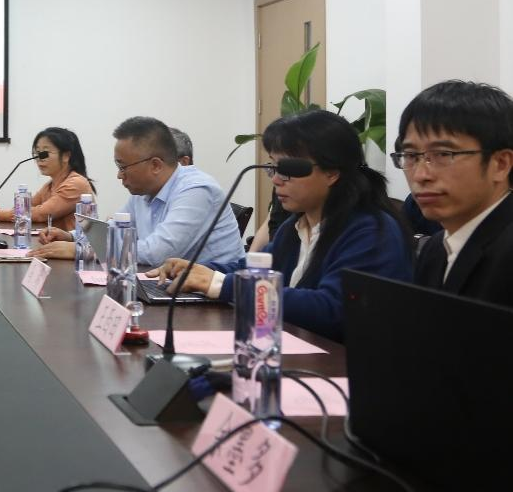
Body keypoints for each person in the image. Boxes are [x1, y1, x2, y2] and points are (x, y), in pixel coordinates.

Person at [153, 109, 413, 342]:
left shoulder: (371, 231)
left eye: (288, 169)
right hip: (295, 352)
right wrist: (199, 270)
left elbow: (332, 309)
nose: (276, 179)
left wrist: (220, 284)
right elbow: (253, 269)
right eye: (273, 167)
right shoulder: (296, 225)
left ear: (332, 172)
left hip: (341, 369)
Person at [32, 117, 244, 265]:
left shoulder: (196, 190)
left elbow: (157, 253)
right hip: (166, 287)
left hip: (211, 303)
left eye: (123, 167)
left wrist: (83, 250)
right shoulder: (144, 191)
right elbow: (113, 230)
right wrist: (71, 237)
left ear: (155, 165)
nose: (119, 175)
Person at [396, 80, 513, 307]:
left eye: (443, 154)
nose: (420, 175)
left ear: (500, 164)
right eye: (410, 156)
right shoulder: (435, 248)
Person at [0, 127, 95, 230]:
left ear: (66, 156)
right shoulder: (50, 185)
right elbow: (25, 208)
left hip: (74, 246)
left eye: (45, 153)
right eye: (37, 153)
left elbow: (42, 214)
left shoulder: (76, 183)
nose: (39, 158)